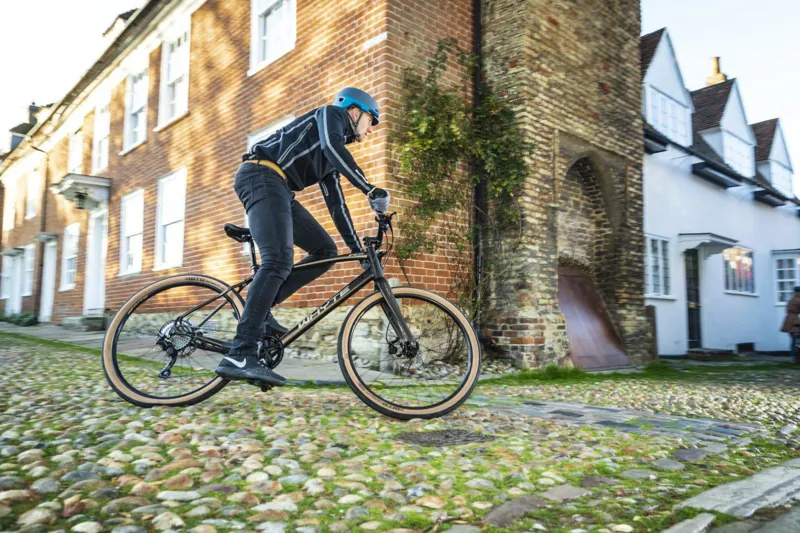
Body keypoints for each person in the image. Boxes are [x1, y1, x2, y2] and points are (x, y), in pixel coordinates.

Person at [216, 88, 390, 386]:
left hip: (279, 188)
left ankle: (261, 309)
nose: (371, 130)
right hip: (261, 175)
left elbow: (337, 205)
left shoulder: (329, 156)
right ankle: (240, 354)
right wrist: (369, 188)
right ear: (354, 111)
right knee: (278, 259)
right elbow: (334, 147)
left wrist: (355, 250)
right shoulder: (330, 115)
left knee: (325, 250)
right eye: (370, 121)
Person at [782, 285, 800, 363]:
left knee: (794, 340)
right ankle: (796, 357)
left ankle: (793, 357)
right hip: (794, 321)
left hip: (789, 321)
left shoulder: (791, 299)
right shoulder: (797, 300)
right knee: (797, 340)